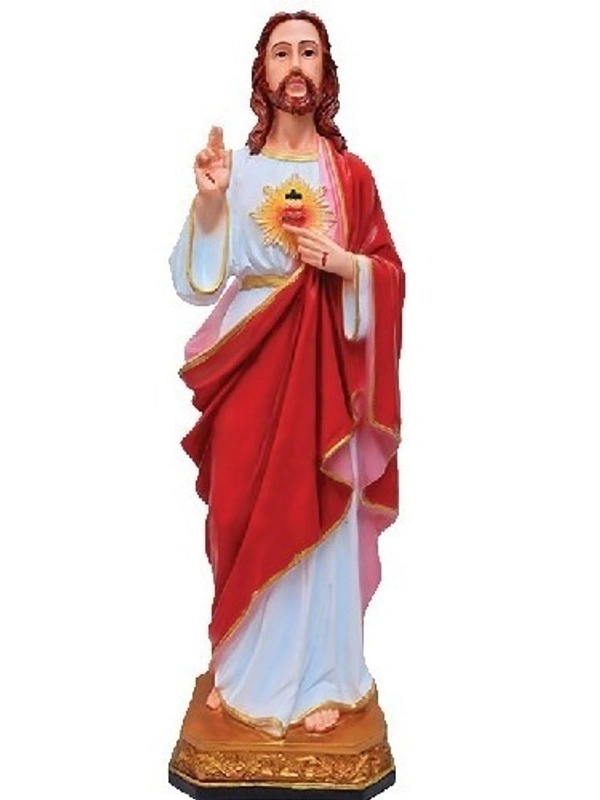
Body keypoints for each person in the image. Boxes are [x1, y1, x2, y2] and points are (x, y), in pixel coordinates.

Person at [169, 10, 405, 739]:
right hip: (251, 358)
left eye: (308, 52)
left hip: (325, 369)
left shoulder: (350, 175)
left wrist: (349, 266)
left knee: (318, 509)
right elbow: (198, 283)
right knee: (239, 512)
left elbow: (391, 272)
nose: (295, 65)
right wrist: (210, 202)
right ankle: (242, 666)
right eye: (281, 53)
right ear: (262, 72)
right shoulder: (236, 170)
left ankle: (324, 676)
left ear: (325, 71)